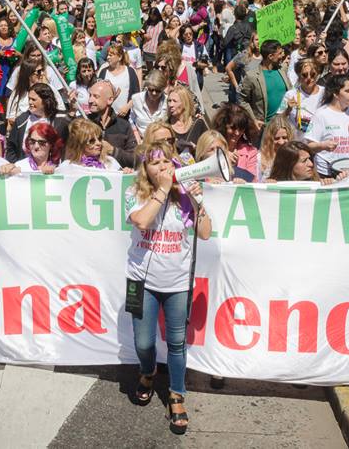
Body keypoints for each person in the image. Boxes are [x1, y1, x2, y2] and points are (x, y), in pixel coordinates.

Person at [125, 140, 211, 435]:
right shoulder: (134, 193)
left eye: (166, 163)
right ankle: (148, 372)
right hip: (140, 281)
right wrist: (162, 190)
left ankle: (176, 394)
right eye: (155, 163)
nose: (162, 168)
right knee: (143, 343)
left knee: (176, 343)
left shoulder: (184, 194)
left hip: (177, 283)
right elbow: (142, 221)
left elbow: (206, 233)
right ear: (145, 169)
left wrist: (198, 201)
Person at [306, 75, 349, 177]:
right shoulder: (321, 114)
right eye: (348, 91)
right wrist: (322, 145)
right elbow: (309, 146)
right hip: (327, 173)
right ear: (336, 94)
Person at [5, 83, 70, 163]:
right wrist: (15, 165)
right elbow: (11, 147)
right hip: (25, 169)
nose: (30, 102)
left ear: (45, 100)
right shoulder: (21, 120)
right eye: (29, 99)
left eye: (33, 99)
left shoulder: (60, 120)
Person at [238, 39, 290, 129]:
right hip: (264, 128)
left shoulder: (283, 70)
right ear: (270, 56)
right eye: (280, 53)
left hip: (285, 124)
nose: (283, 55)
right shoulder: (252, 76)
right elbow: (242, 100)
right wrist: (253, 120)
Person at [87, 80, 137, 169]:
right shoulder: (85, 122)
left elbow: (135, 159)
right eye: (90, 95)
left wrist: (113, 151)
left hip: (114, 179)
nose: (90, 100)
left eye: (96, 96)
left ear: (110, 100)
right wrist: (71, 113)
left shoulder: (123, 126)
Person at [211, 103, 259, 179]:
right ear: (223, 126)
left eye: (241, 129)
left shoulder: (251, 152)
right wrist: (223, 158)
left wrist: (236, 171)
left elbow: (252, 179)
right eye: (232, 128)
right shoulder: (211, 146)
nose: (237, 133)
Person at [279, 58, 322, 141]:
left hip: (319, 144)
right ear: (298, 75)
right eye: (305, 75)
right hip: (298, 144)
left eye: (313, 74)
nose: (309, 78)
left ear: (317, 74)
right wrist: (288, 109)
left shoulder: (325, 93)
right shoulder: (290, 95)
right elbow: (279, 119)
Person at [98, 42, 141, 116]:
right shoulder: (103, 72)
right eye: (107, 55)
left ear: (120, 57)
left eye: (111, 55)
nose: (108, 57)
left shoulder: (130, 71)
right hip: (107, 116)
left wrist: (127, 107)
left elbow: (136, 94)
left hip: (126, 115)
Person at [166, 85, 208, 156]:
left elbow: (209, 147)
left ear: (184, 103)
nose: (170, 105)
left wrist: (195, 149)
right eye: (169, 101)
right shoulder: (165, 125)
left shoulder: (198, 124)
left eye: (174, 101)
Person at [128, 70, 168, 142]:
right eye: (151, 89)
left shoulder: (167, 101)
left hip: (161, 142)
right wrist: (136, 135)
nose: (154, 93)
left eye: (158, 90)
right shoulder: (136, 99)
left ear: (163, 89)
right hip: (141, 140)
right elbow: (131, 120)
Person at [257, 115, 295, 181]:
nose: (281, 142)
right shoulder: (259, 158)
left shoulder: (295, 156)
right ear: (268, 139)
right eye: (276, 138)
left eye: (284, 137)